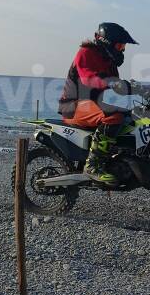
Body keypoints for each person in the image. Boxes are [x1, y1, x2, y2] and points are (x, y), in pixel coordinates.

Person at [58, 22, 138, 183]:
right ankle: (93, 165)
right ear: (107, 42)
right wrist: (114, 83)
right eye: (120, 45)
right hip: (72, 105)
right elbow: (89, 78)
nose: (122, 50)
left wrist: (140, 88)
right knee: (114, 115)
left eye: (124, 46)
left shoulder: (109, 61)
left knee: (131, 117)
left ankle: (115, 161)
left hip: (90, 106)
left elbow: (117, 85)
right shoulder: (86, 52)